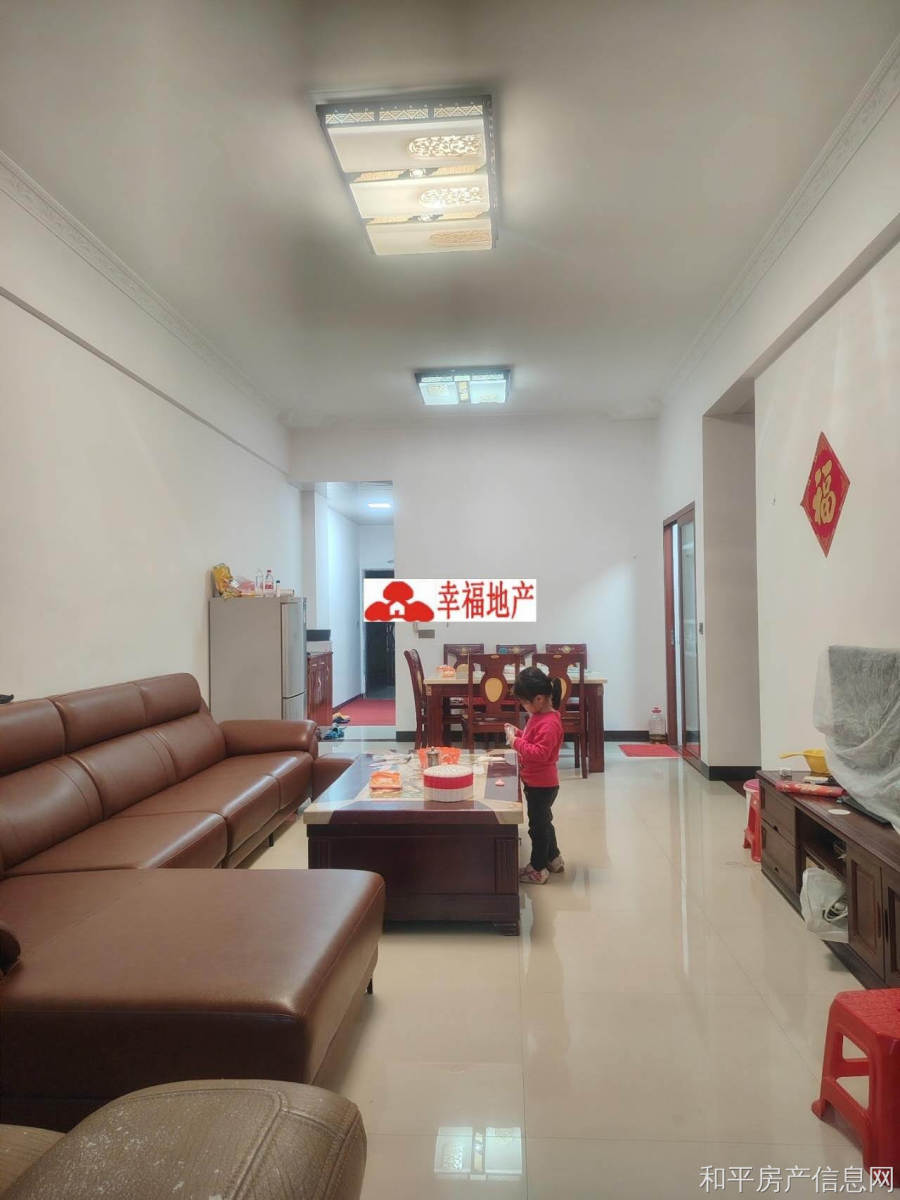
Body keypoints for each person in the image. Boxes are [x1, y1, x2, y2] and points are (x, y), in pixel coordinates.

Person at [505, 666, 565, 884]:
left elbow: (540, 753)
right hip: (538, 783)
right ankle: (553, 858)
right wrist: (518, 733)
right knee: (545, 822)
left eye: (524, 702)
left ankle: (538, 868)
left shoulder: (549, 723)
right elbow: (532, 739)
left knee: (537, 828)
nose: (524, 706)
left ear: (539, 698)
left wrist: (515, 742)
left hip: (542, 785)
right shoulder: (539, 716)